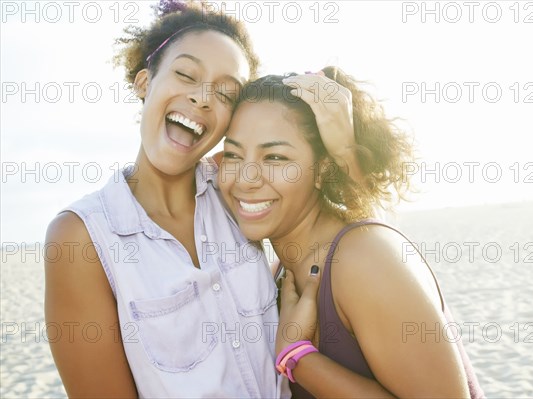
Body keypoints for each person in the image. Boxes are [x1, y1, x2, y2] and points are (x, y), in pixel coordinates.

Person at [43, 2, 359, 397]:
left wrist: (344, 148)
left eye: (227, 93)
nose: (203, 99)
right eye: (186, 74)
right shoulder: (82, 237)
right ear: (144, 83)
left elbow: (356, 249)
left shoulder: (238, 192)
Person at [218, 67, 486, 398]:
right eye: (232, 154)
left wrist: (296, 357)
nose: (245, 178)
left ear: (322, 171)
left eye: (274, 157)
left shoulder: (361, 259)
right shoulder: (280, 275)